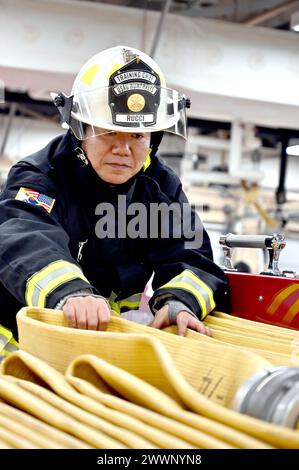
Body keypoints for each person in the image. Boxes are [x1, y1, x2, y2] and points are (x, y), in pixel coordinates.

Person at [0, 45, 228, 356]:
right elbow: (25, 235)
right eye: (109, 132)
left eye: (137, 136)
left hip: (95, 348)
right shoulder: (42, 175)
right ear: (81, 129)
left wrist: (180, 300)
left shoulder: (158, 187)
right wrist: (69, 292)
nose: (124, 149)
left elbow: (190, 258)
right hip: (16, 347)